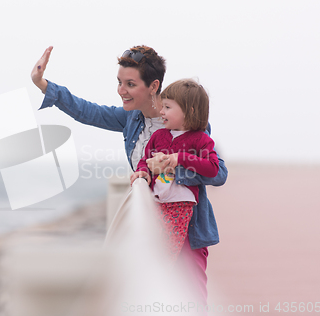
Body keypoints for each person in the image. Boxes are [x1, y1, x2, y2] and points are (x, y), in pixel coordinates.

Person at [31, 45, 228, 305]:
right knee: (149, 293)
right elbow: (87, 111)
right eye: (119, 82)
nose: (121, 90)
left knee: (190, 298)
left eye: (130, 84)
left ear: (153, 85)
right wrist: (43, 84)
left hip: (188, 225)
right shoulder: (131, 119)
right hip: (151, 224)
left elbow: (217, 173)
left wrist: (171, 167)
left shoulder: (188, 121)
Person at [130, 79, 219, 262]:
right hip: (156, 203)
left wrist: (180, 158)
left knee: (168, 258)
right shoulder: (158, 136)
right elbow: (145, 160)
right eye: (162, 106)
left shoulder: (201, 139)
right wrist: (143, 172)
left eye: (167, 107)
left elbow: (213, 169)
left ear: (189, 111)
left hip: (181, 206)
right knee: (154, 252)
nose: (161, 111)